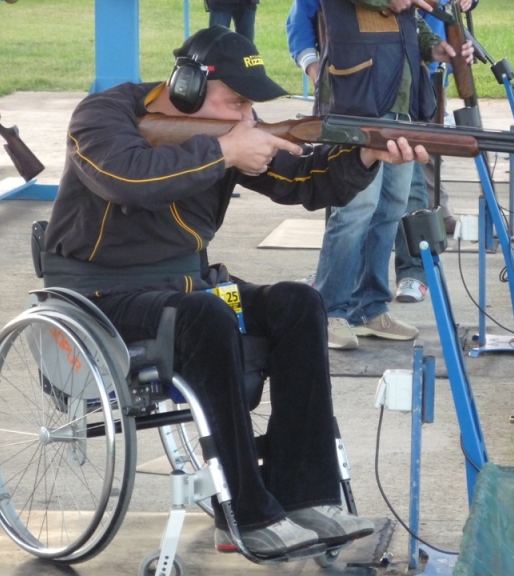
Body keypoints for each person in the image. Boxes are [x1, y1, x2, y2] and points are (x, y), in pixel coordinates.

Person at [42, 26, 428, 558]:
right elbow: (126, 177)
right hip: (102, 295)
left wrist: (363, 158)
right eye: (237, 101)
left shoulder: (221, 135)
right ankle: (245, 512)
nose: (247, 116)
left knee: (299, 302)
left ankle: (304, 496)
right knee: (205, 315)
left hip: (184, 288)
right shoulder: (103, 115)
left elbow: (304, 183)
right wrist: (225, 150)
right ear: (187, 88)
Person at [287, 0, 473, 349]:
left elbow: (410, 24)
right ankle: (329, 310)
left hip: (400, 103)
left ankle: (369, 308)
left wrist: (435, 49)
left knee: (390, 208)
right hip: (356, 101)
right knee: (356, 210)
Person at [393, 0, 473, 304]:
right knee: (358, 204)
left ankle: (413, 271)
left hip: (419, 76)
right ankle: (351, 291)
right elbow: (305, 18)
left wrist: (436, 47)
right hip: (358, 87)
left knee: (415, 180)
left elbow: (413, 19)